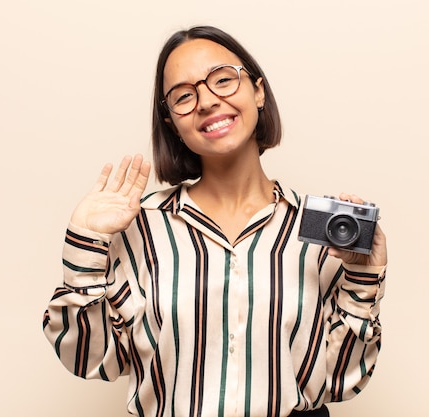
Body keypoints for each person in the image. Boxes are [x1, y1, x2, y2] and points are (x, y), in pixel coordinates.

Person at [42, 25, 387, 417]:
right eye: (184, 96)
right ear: (172, 122)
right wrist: (84, 245)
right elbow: (91, 357)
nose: (206, 101)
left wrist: (364, 277)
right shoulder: (141, 227)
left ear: (258, 91)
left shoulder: (320, 230)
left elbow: (340, 380)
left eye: (223, 80)